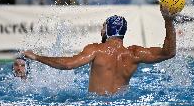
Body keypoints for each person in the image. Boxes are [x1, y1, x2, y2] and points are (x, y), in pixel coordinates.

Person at [23, 6, 176, 95]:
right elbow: (169, 52)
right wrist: (168, 20)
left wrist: (36, 56)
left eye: (103, 27)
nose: (101, 30)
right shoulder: (134, 54)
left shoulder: (96, 50)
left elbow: (68, 64)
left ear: (107, 30)